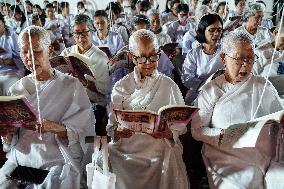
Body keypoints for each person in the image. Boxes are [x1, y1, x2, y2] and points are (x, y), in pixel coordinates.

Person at [0, 25, 95, 189]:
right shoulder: (15, 89)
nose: (30, 57)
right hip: (21, 157)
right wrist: (7, 135)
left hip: (56, 159)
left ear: (50, 50)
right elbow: (12, 139)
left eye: (36, 50)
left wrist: (57, 128)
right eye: (24, 52)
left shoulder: (71, 85)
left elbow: (85, 131)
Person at [191, 30, 284, 189]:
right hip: (226, 156)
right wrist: (221, 134)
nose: (246, 65)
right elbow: (197, 130)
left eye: (250, 59)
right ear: (223, 58)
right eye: (239, 59)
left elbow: (279, 117)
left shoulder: (263, 85)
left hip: (265, 153)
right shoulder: (211, 90)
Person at [107, 29, 189, 189]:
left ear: (159, 53)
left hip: (159, 147)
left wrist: (169, 134)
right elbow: (111, 129)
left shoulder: (169, 85)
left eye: (153, 56)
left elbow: (180, 128)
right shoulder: (121, 87)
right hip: (127, 149)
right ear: (132, 57)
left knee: (168, 156)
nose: (148, 62)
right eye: (142, 58)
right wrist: (119, 132)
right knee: (110, 156)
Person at [61, 14, 111, 136]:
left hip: (93, 103)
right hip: (71, 101)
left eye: (84, 32)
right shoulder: (67, 53)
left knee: (87, 127)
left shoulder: (101, 56)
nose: (80, 37)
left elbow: (105, 90)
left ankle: (91, 149)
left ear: (91, 32)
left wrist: (88, 84)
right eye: (77, 33)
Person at [181, 13, 224, 104]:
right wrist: (207, 84)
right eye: (212, 30)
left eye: (219, 30)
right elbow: (187, 78)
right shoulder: (194, 54)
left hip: (222, 92)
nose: (216, 34)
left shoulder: (226, 51)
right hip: (198, 93)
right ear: (203, 31)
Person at [0, 13, 24, 96]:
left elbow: (22, 59)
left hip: (11, 71)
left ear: (3, 23)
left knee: (10, 88)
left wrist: (4, 61)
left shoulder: (13, 37)